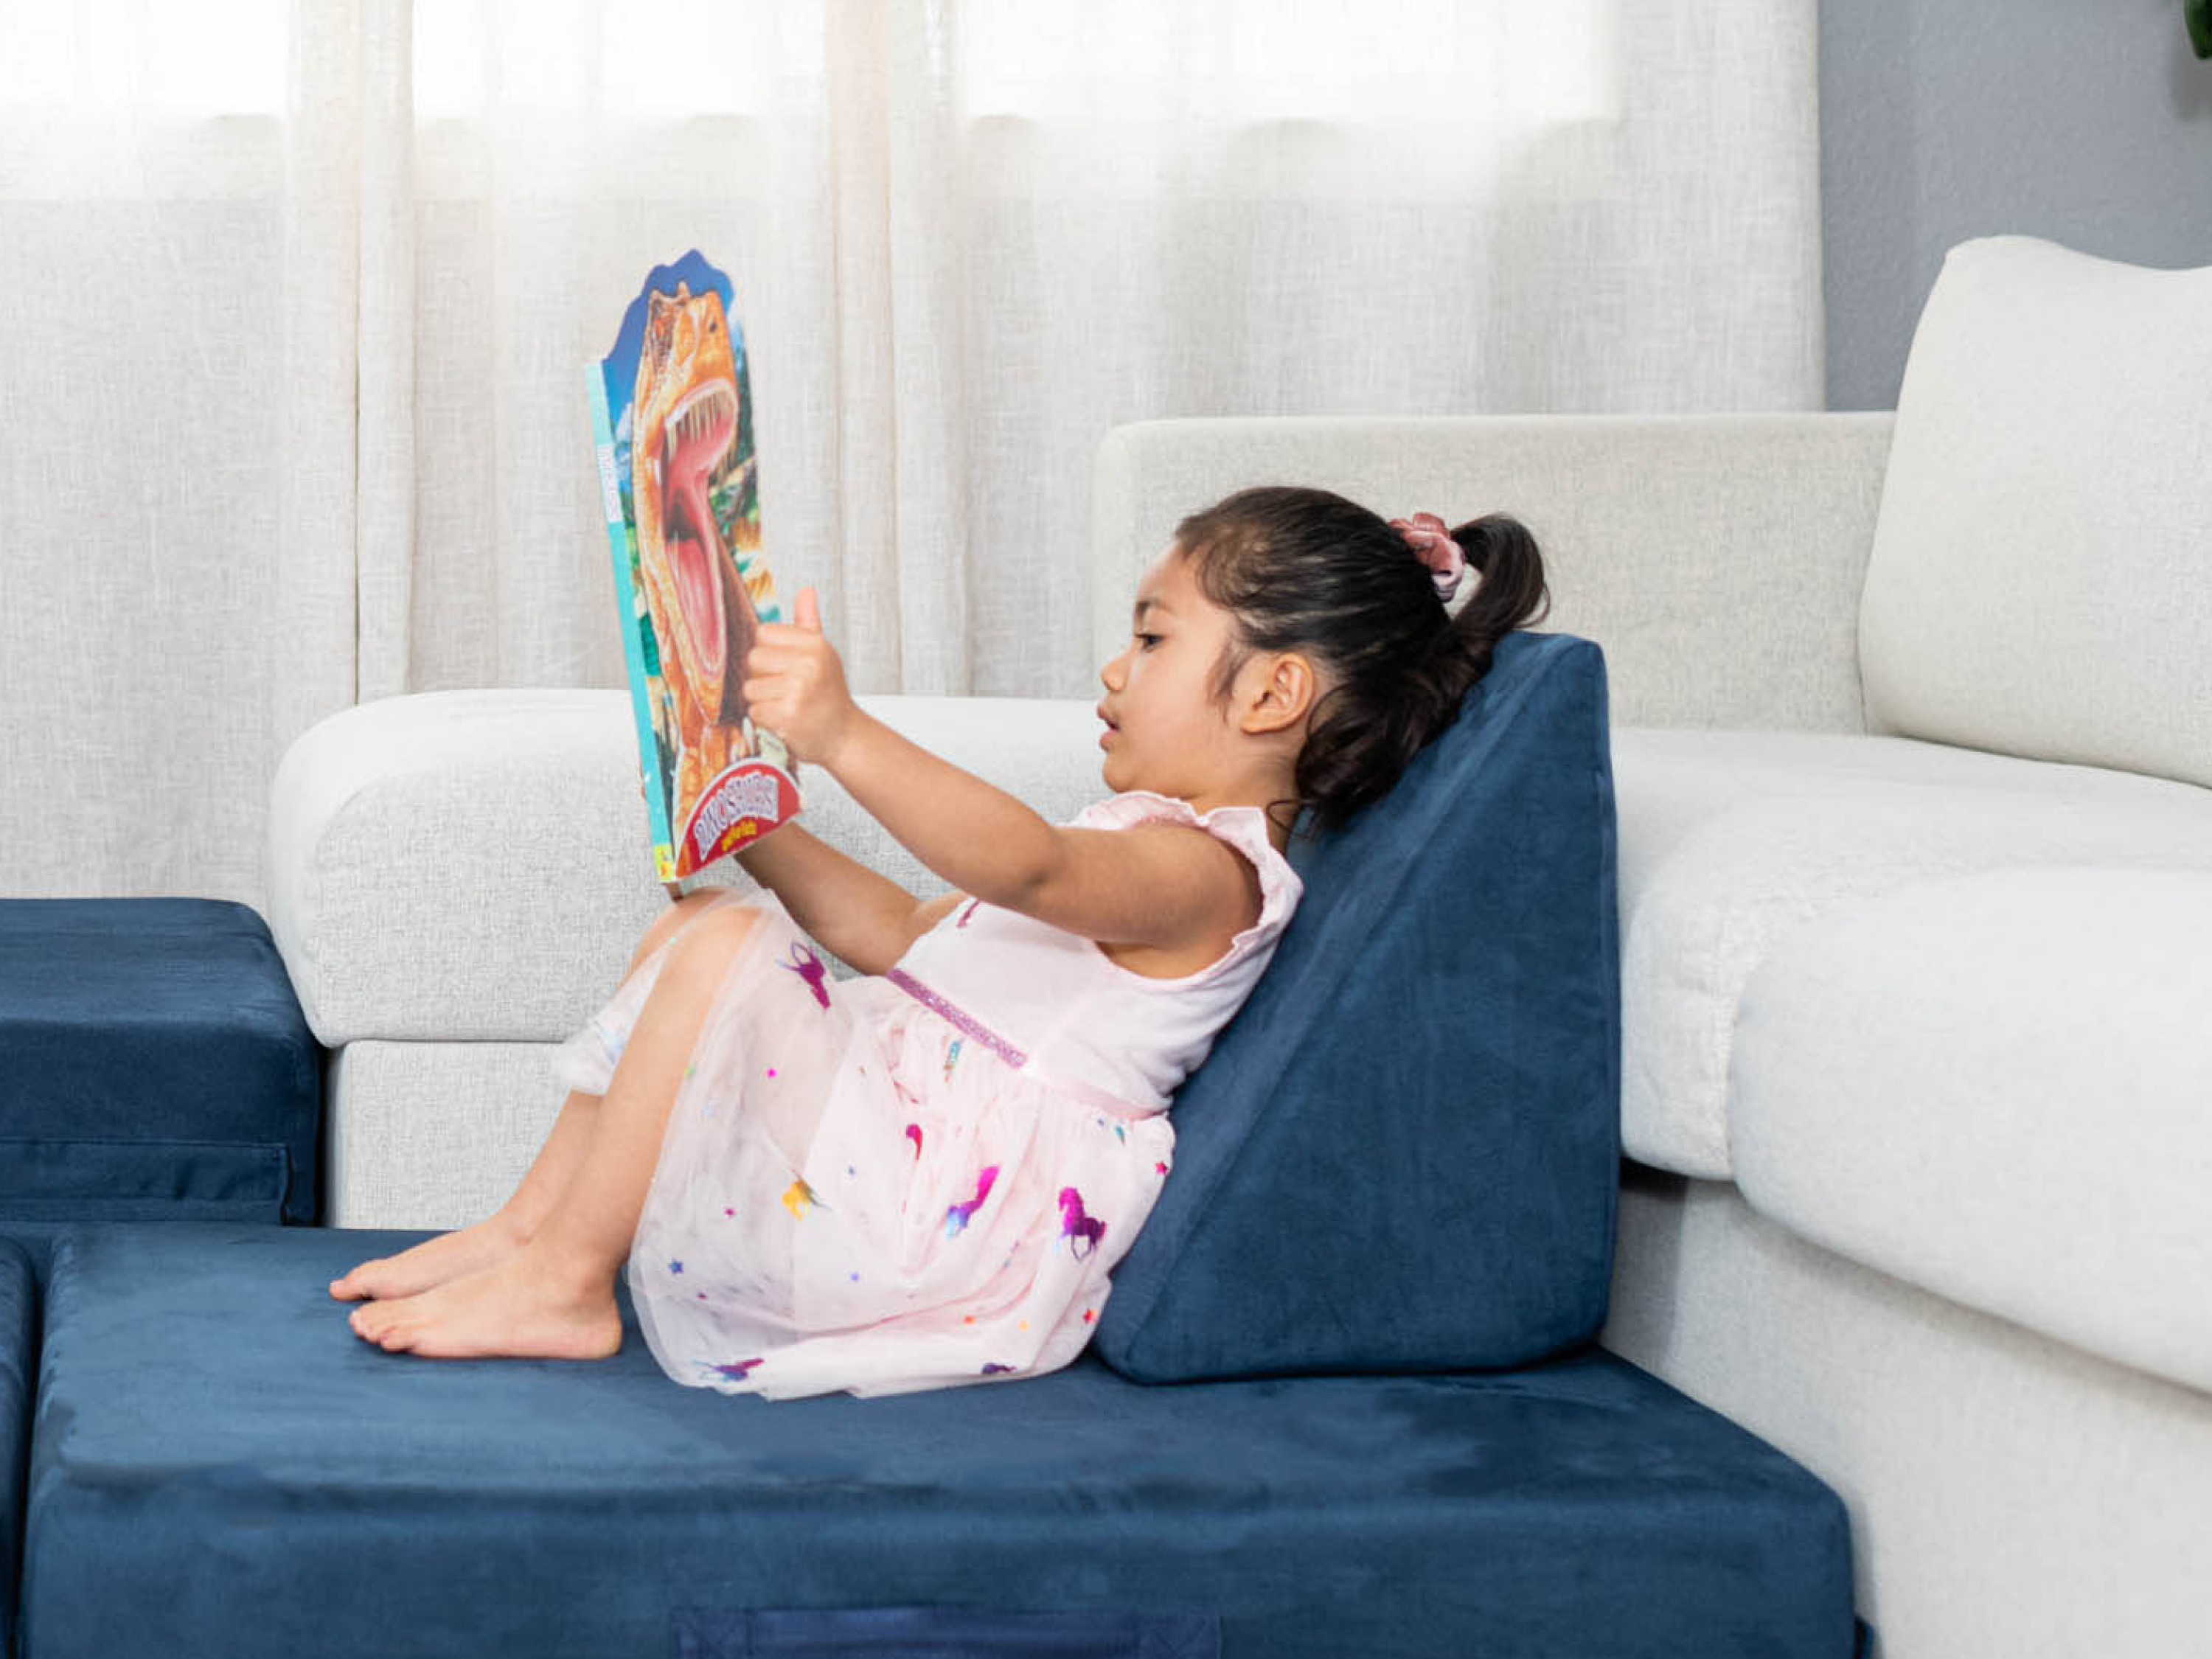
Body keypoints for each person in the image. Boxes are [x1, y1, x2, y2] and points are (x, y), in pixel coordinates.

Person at [329, 485, 1549, 1399]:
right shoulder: (1141, 839)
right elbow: (899, 932)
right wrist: (746, 815)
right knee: (695, 925)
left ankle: (567, 1283)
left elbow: (1025, 864)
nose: (1114, 669)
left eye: (1153, 638)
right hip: (895, 1149)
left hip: (931, 1218)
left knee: (724, 948)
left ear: (1273, 694)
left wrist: (845, 731)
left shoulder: (1210, 874)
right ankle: (531, 1229)